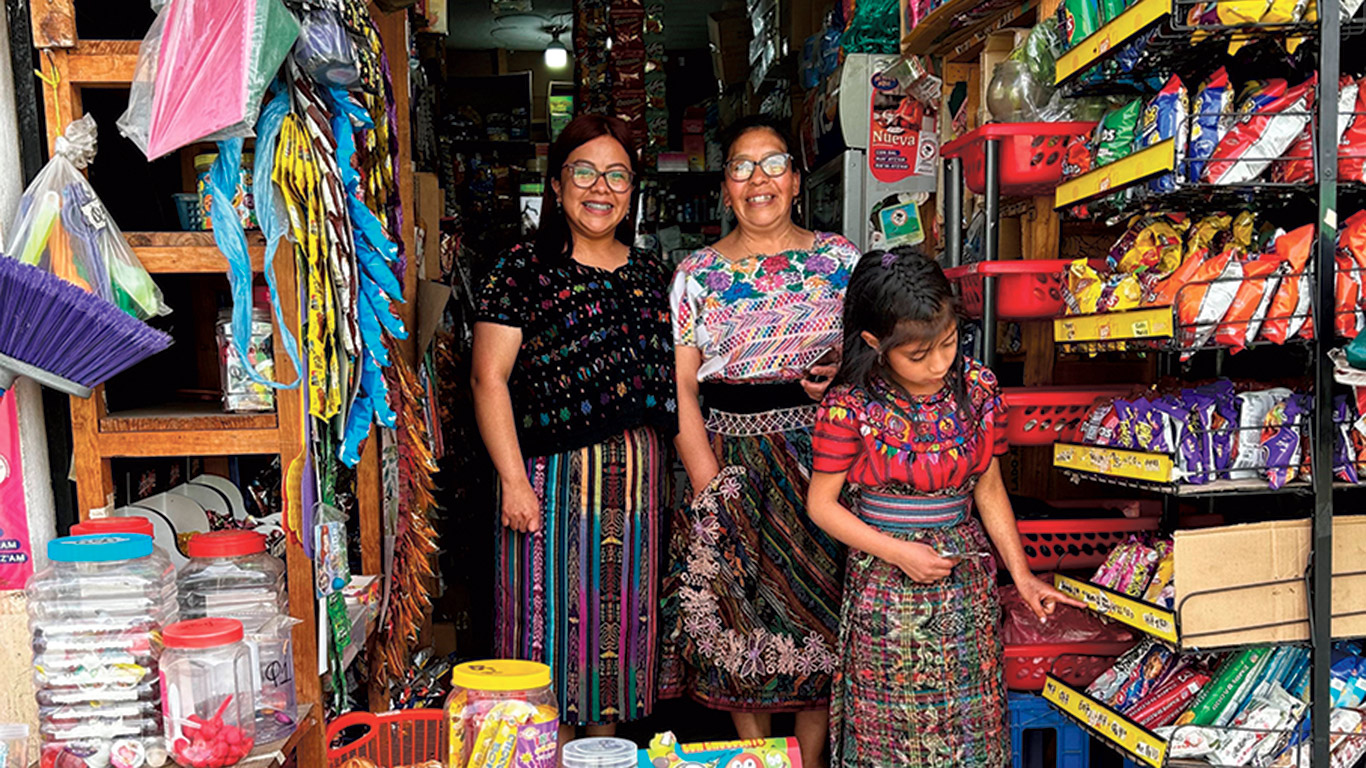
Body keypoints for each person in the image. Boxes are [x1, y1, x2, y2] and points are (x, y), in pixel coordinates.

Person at [806, 247, 1084, 768]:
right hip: (885, 584)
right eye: (918, 354)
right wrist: (897, 552)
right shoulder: (849, 405)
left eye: (949, 343)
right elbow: (822, 505)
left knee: (970, 731)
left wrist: (1021, 576)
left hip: (965, 583)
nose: (939, 364)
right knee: (890, 732)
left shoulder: (977, 389)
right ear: (874, 342)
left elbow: (988, 486)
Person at [470, 114, 677, 741]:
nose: (601, 187)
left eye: (617, 175)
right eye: (584, 171)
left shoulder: (650, 274)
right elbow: (489, 380)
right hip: (547, 484)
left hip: (638, 485)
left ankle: (602, 754)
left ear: (632, 190)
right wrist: (512, 480)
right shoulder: (520, 270)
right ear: (557, 186)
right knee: (545, 637)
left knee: (615, 644)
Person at [661, 115, 859, 768]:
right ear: (725, 188)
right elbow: (685, 389)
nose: (758, 180)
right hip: (728, 457)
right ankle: (758, 759)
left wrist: (844, 372)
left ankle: (808, 760)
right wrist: (707, 484)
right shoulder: (694, 274)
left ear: (796, 180)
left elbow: (879, 363)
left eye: (772, 164)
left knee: (814, 614)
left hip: (819, 462)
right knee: (736, 619)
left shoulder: (840, 262)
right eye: (742, 167)